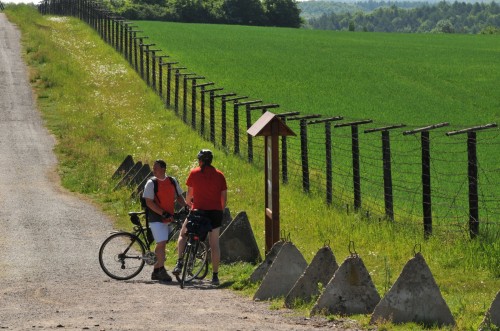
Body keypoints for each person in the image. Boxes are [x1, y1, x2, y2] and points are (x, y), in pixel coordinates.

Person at [173, 149, 227, 286]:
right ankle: (215, 276)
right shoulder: (220, 175)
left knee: (183, 234)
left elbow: (189, 195)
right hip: (215, 213)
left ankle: (179, 263)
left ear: (201, 161)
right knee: (214, 244)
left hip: (197, 211)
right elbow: (223, 198)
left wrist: (189, 204)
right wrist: (219, 210)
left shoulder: (194, 173)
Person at [143, 159, 187, 282]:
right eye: (153, 168)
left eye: (156, 168)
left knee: (161, 244)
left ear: (163, 169)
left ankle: (156, 271)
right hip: (156, 218)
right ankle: (161, 270)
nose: (153, 170)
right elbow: (148, 202)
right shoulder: (151, 183)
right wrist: (162, 213)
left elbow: (179, 196)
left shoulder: (172, 181)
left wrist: (186, 206)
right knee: (161, 243)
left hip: (168, 217)